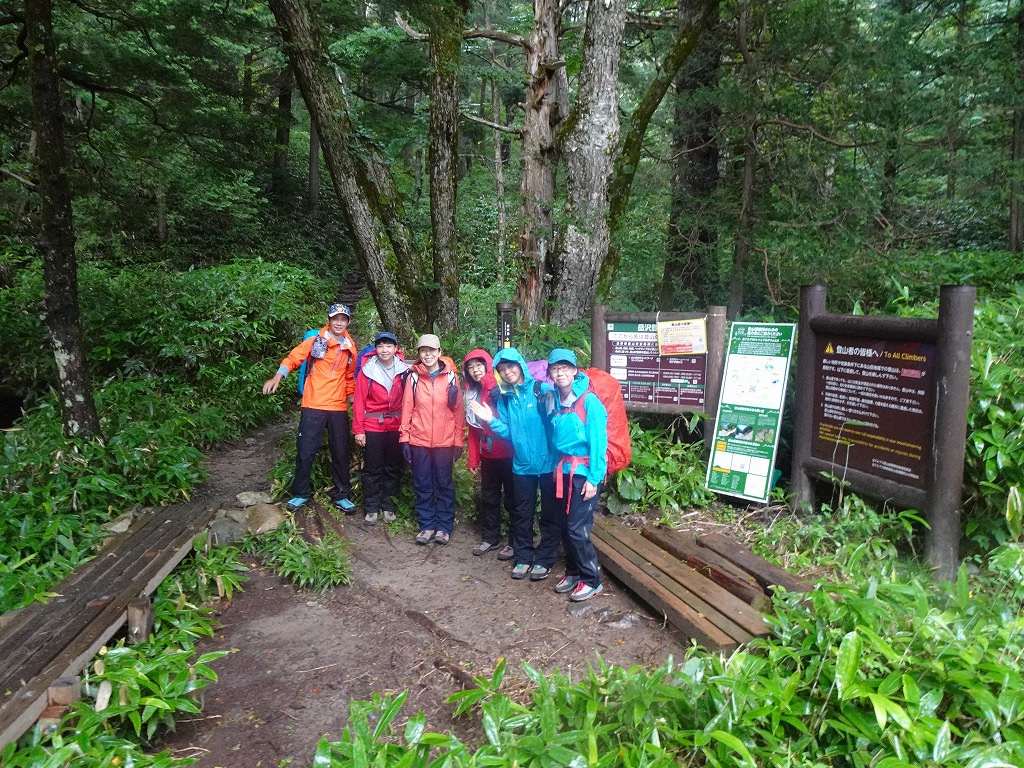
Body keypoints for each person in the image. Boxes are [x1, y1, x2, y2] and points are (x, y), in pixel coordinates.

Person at [469, 347, 558, 581]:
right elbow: (509, 433)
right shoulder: (506, 398)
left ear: (520, 365)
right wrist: (491, 420)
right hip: (522, 465)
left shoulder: (541, 390)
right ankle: (523, 557)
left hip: (548, 463)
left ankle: (545, 559)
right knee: (521, 513)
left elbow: (557, 423)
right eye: (502, 369)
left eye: (511, 366)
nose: (507, 372)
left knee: (549, 514)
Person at [262, 303, 358, 513]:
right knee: (306, 450)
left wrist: (352, 399)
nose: (339, 323)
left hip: (338, 407)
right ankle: (301, 493)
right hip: (313, 404)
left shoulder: (350, 348)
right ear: (328, 320)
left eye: (343, 319)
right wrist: (278, 376)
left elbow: (349, 376)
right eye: (335, 319)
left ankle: (342, 494)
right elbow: (293, 358)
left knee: (341, 452)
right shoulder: (316, 341)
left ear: (348, 322)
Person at [546, 348, 607, 602]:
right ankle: (573, 572)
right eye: (555, 369)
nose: (560, 373)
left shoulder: (589, 401)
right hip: (563, 471)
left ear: (574, 371)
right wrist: (554, 467)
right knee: (563, 524)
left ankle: (592, 580)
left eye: (564, 368)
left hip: (584, 474)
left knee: (577, 528)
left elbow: (599, 443)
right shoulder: (554, 399)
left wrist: (594, 479)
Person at [399, 334, 465, 545]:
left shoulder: (451, 377)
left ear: (439, 352)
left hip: (445, 441)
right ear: (419, 354)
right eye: (423, 351)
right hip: (419, 440)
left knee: (444, 484)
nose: (427, 354)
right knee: (422, 483)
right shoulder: (414, 378)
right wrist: (404, 437)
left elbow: (458, 412)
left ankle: (444, 527)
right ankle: (426, 525)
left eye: (431, 350)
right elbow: (407, 409)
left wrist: (458, 440)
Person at [353, 331, 410, 525]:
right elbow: (359, 402)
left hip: (396, 425)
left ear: (395, 348)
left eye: (388, 346)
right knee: (372, 468)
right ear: (375, 349)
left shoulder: (404, 370)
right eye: (380, 346)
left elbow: (410, 400)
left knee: (393, 467)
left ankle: (389, 505)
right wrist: (358, 430)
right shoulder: (367, 371)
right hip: (373, 425)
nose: (384, 350)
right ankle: (371, 507)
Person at [462, 350, 515, 559]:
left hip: (508, 453)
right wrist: (473, 459)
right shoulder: (472, 393)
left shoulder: (500, 387)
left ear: (487, 365)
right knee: (489, 497)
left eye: (479, 365)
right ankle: (490, 538)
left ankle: (515, 541)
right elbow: (474, 431)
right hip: (488, 454)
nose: (475, 370)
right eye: (470, 367)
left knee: (513, 498)